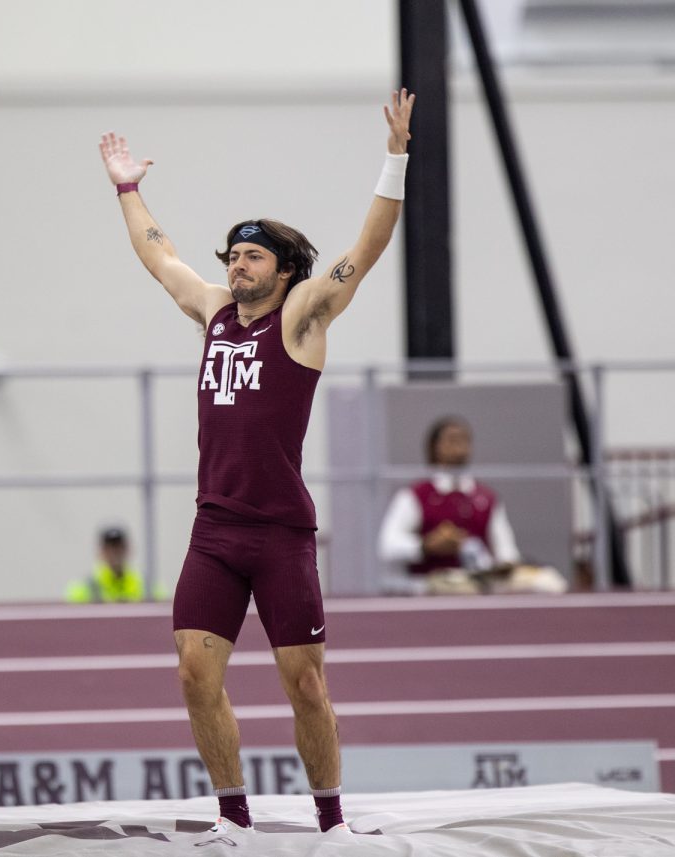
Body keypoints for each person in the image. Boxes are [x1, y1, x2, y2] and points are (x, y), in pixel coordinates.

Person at [98, 88, 415, 836]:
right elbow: (158, 257)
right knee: (192, 674)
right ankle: (234, 818)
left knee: (304, 683)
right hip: (215, 531)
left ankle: (331, 824)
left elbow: (364, 251)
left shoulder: (302, 317)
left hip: (279, 534)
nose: (235, 265)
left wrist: (396, 156)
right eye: (233, 254)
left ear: (282, 270)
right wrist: (128, 188)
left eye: (251, 255)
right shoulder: (212, 311)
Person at [377, 416, 563, 596]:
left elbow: (506, 551)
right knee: (454, 588)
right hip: (436, 581)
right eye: (451, 440)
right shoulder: (416, 495)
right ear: (434, 447)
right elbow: (388, 545)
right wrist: (427, 546)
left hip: (481, 579)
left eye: (464, 440)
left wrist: (504, 568)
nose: (459, 447)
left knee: (549, 582)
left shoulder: (485, 498)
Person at [66, 526, 147, 603]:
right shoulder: (84, 588)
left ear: (128, 550)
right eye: (110, 548)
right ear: (101, 552)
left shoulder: (145, 586)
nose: (115, 552)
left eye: (119, 547)